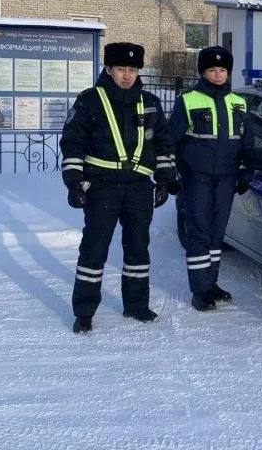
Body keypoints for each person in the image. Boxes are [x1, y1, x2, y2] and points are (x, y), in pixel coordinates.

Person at [60, 42, 179, 334]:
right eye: (121, 69)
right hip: (102, 186)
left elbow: (163, 143)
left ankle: (137, 305)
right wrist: (74, 182)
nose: (127, 75)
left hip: (139, 186)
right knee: (94, 249)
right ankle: (84, 312)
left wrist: (164, 179)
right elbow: (73, 142)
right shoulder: (89, 101)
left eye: (132, 69)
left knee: (138, 248)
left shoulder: (150, 102)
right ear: (109, 69)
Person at [169, 46, 251, 312]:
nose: (218, 74)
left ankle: (211, 283)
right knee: (199, 233)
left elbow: (247, 142)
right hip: (197, 178)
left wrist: (245, 172)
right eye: (212, 70)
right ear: (203, 72)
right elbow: (170, 140)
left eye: (222, 70)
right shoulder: (188, 101)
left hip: (226, 179)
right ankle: (199, 290)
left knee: (217, 234)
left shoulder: (239, 102)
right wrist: (170, 174)